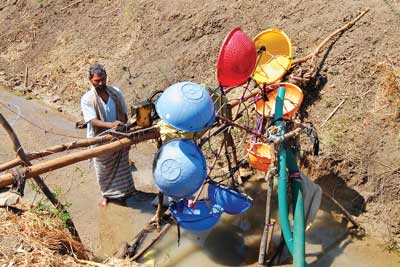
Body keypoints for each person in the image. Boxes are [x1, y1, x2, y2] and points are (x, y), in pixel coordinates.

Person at [80, 63, 136, 207]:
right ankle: (106, 195)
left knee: (122, 166)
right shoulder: (87, 98)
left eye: (103, 79)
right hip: (100, 139)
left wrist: (125, 131)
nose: (100, 83)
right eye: (97, 81)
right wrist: (111, 125)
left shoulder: (116, 92)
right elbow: (92, 121)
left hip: (119, 136)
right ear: (90, 80)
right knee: (103, 171)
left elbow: (124, 114)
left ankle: (124, 193)